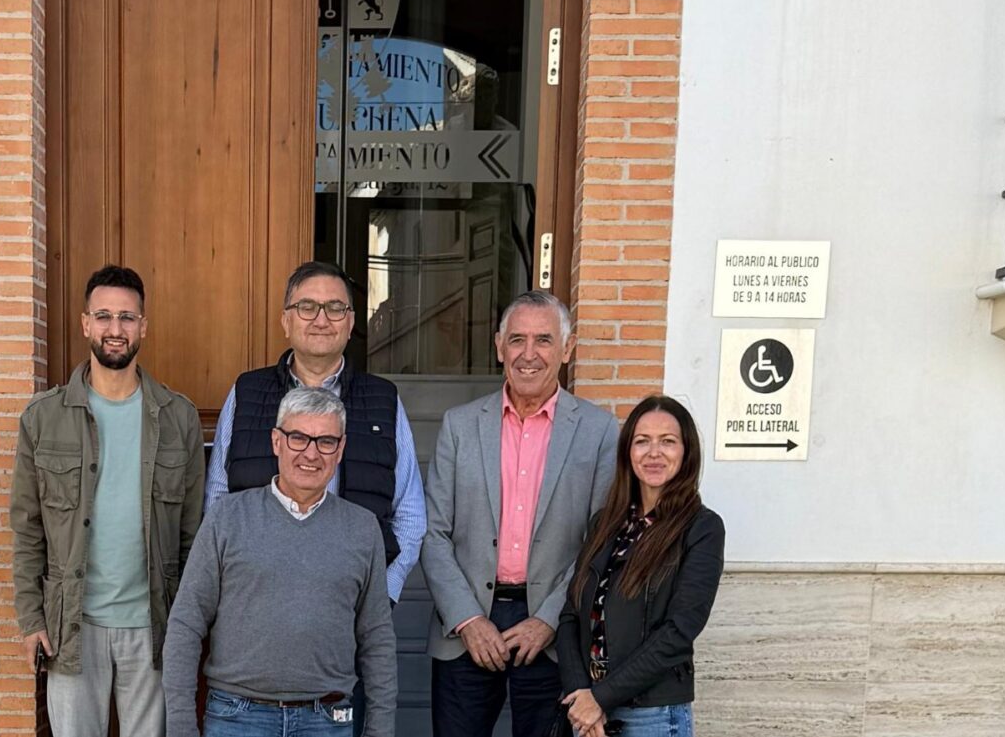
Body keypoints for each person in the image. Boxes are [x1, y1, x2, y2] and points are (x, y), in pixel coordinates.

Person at [12, 266, 206, 737]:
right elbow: (27, 527)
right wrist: (30, 618)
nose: (115, 329)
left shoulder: (177, 417)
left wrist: (191, 625)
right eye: (104, 316)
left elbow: (194, 535)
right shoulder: (44, 419)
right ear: (85, 324)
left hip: (154, 624)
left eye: (127, 317)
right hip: (72, 625)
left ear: (144, 326)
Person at [421, 291, 619, 737]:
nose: (529, 355)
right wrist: (468, 619)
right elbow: (433, 534)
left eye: (544, 340)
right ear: (498, 346)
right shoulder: (460, 425)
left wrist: (549, 619)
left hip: (554, 631)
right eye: (517, 340)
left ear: (567, 350)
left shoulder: (599, 431)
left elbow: (600, 543)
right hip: (466, 627)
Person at [164, 386, 398, 737]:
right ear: (276, 441)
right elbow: (186, 623)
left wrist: (379, 730)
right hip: (237, 717)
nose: (311, 453)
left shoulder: (362, 529)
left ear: (341, 449)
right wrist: (181, 725)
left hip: (326, 719)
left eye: (326, 441)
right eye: (298, 437)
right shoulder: (227, 517)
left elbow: (377, 638)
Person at [206, 259, 425, 603]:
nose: (322, 320)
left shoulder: (383, 400)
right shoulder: (247, 393)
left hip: (351, 608)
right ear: (286, 321)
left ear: (351, 322)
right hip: (254, 603)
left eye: (335, 308)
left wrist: (382, 595)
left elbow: (410, 516)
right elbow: (218, 504)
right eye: (307, 307)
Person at [555, 396, 725, 737]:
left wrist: (600, 698)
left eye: (668, 442)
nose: (654, 453)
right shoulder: (605, 523)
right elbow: (571, 616)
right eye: (642, 441)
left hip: (653, 715)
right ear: (627, 452)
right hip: (588, 714)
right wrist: (581, 698)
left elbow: (678, 632)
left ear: (686, 451)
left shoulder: (701, 528)